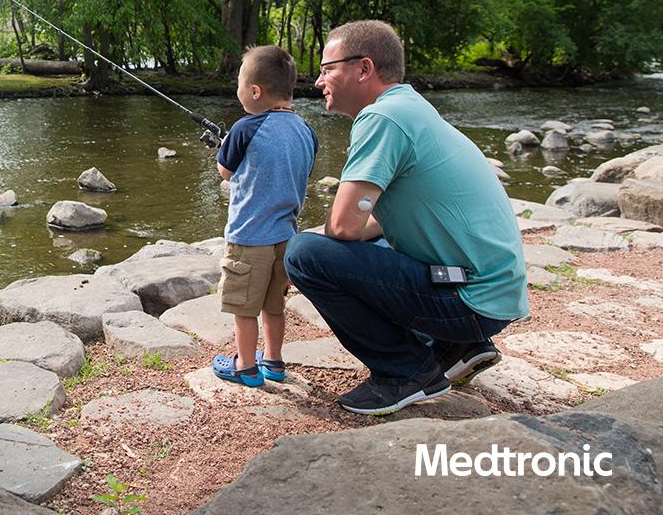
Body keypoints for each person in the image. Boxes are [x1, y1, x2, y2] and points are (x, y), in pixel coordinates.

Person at [284, 20, 529, 415]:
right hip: (493, 294)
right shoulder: (409, 106)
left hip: (471, 300)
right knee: (367, 244)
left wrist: (321, 240)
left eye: (328, 68)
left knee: (304, 254)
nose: (318, 81)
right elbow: (383, 221)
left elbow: (343, 227)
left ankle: (406, 372)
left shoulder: (382, 118)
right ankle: (457, 348)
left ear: (364, 69)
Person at [210, 46, 318, 387]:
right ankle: (273, 361)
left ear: (255, 91)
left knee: (244, 308)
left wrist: (227, 145)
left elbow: (226, 172)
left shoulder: (244, 128)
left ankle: (244, 367)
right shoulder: (306, 130)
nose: (238, 90)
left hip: (248, 237)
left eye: (240, 84)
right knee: (274, 305)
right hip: (285, 237)